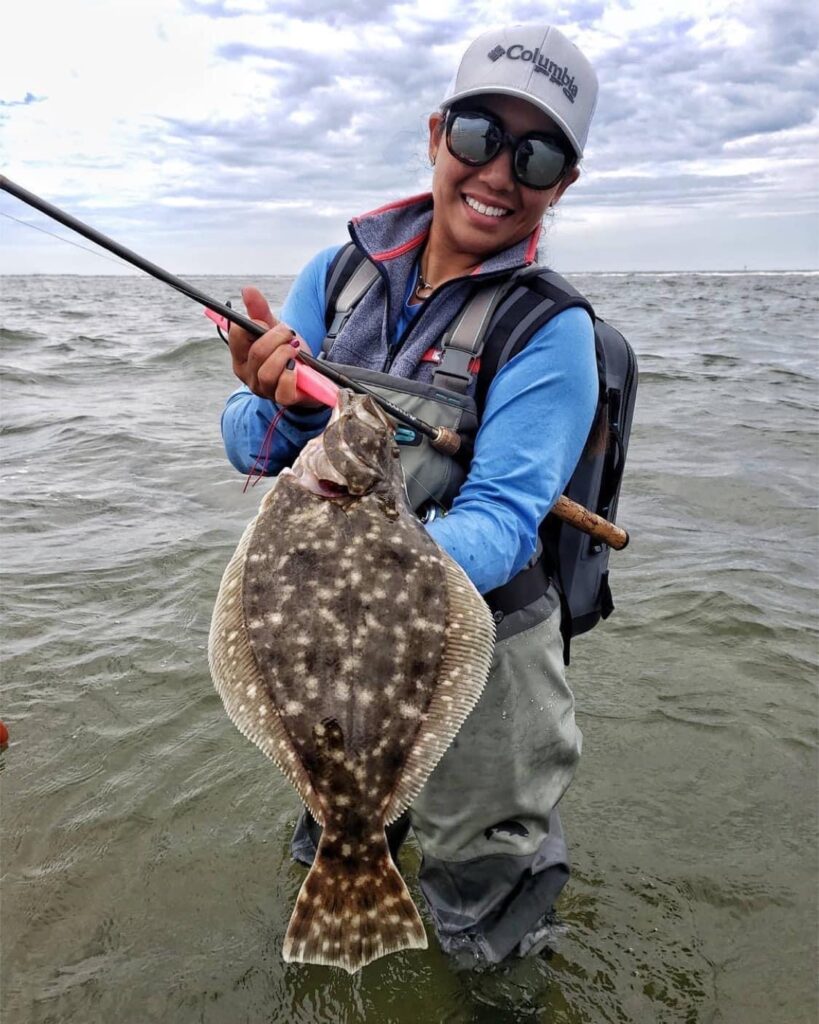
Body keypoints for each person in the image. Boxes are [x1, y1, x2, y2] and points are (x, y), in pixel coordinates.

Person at [221, 24, 600, 965]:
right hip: (332, 647)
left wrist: (373, 549)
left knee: (488, 900)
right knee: (340, 825)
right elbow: (245, 441)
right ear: (437, 134)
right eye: (479, 135)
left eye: (537, 155)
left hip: (483, 653)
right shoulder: (340, 272)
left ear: (562, 183)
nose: (500, 173)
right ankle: (345, 903)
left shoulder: (550, 332)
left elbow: (504, 526)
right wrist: (273, 399)